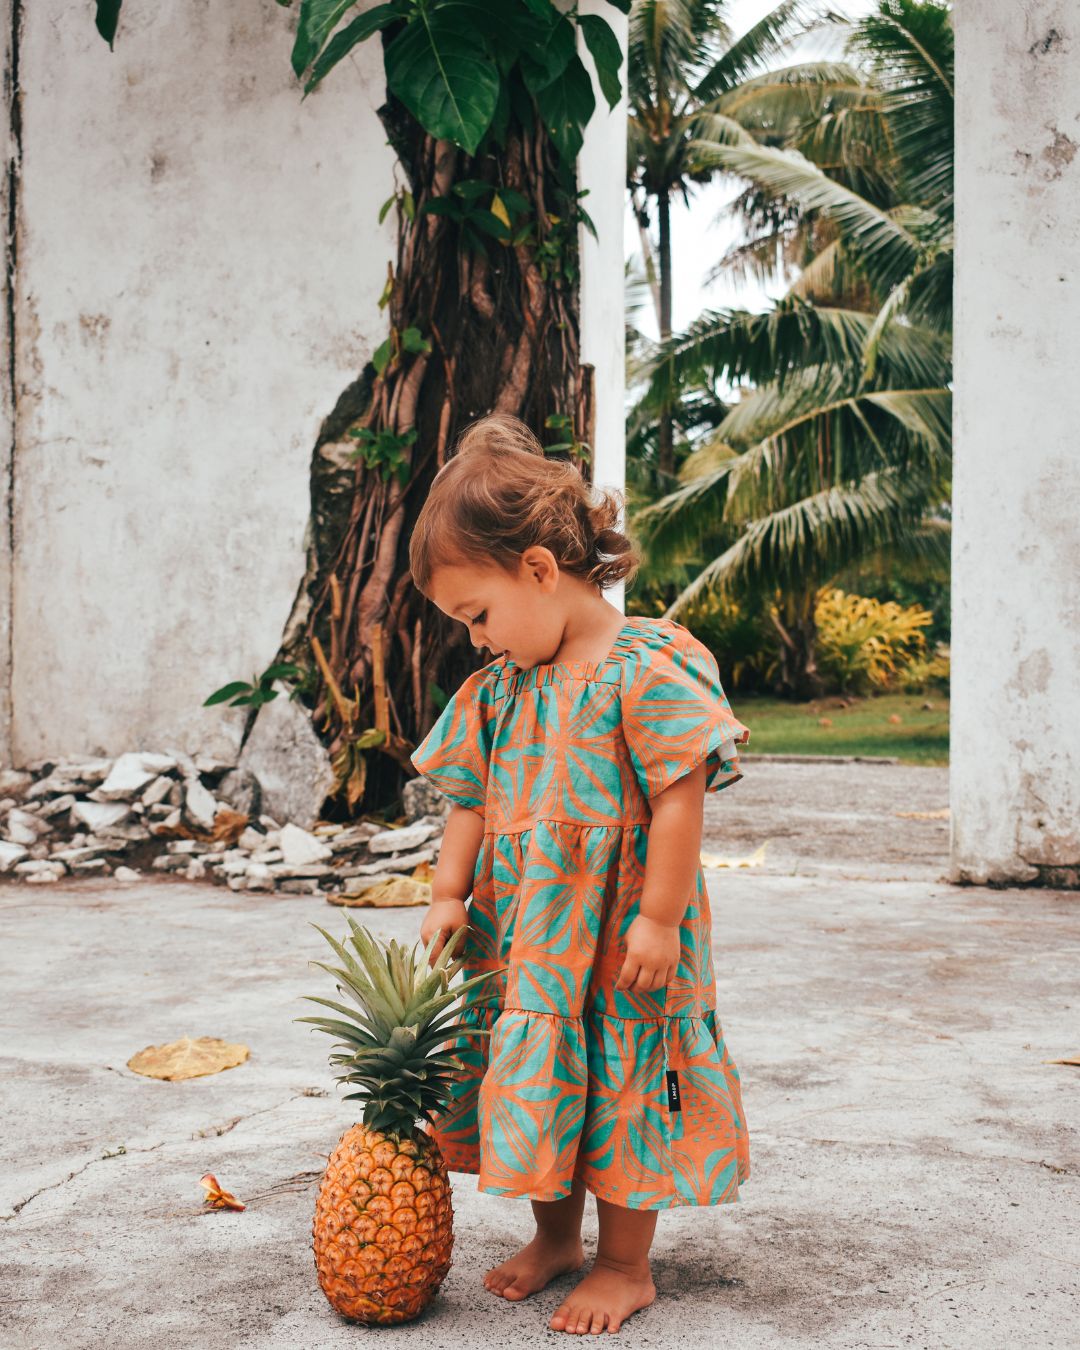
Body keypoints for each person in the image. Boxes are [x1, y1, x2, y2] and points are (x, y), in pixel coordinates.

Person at [407, 412, 751, 1336]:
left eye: (476, 616)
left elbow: (680, 794)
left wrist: (660, 918)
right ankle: (556, 1237)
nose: (476, 640)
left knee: (627, 1080)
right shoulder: (496, 694)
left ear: (537, 570)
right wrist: (448, 893)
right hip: (529, 943)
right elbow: (470, 803)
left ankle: (625, 1263)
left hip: (623, 939)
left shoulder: (650, 667)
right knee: (540, 1079)